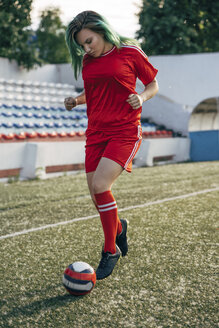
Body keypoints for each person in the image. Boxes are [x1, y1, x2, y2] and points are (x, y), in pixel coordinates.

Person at [64, 11, 158, 280]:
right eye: (82, 45)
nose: (87, 48)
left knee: (100, 187)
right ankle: (119, 227)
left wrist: (141, 98)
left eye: (89, 41)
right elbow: (94, 91)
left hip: (124, 130)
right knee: (96, 197)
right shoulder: (87, 61)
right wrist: (76, 101)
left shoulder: (129, 52)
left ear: (102, 32)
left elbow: (152, 84)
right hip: (95, 132)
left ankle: (110, 249)